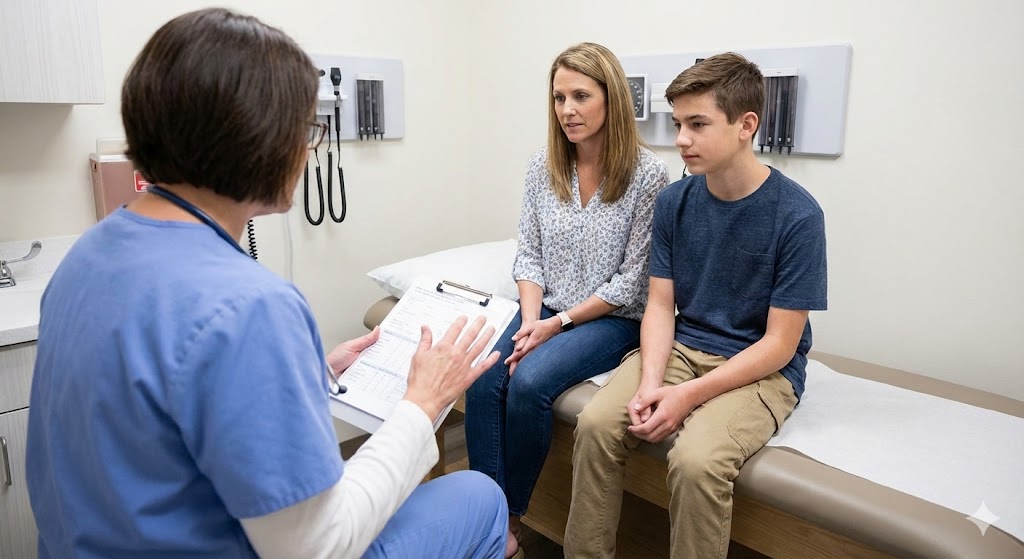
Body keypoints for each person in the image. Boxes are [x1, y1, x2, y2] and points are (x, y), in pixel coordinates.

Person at [25, 8, 521, 559]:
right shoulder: (248, 306)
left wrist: (307, 372)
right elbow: (317, 548)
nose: (308, 150)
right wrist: (423, 404)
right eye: (307, 129)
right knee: (480, 496)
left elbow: (155, 409)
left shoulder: (85, 255)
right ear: (258, 137)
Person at [565, 52, 828, 559]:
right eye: (678, 123)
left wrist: (687, 397)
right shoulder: (675, 202)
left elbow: (779, 344)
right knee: (597, 425)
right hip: (686, 345)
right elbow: (661, 307)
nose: (680, 139)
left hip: (763, 369)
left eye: (697, 124)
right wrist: (650, 384)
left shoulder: (798, 216)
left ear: (745, 125)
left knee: (696, 460)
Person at [464, 42, 670, 540]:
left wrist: (555, 326)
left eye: (581, 96)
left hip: (612, 318)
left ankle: (511, 520)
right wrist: (532, 320)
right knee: (483, 375)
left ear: (611, 100)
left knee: (530, 383)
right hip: (544, 305)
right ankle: (485, 514)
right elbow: (529, 255)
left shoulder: (648, 176)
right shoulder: (543, 167)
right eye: (559, 98)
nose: (567, 110)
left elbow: (632, 281)